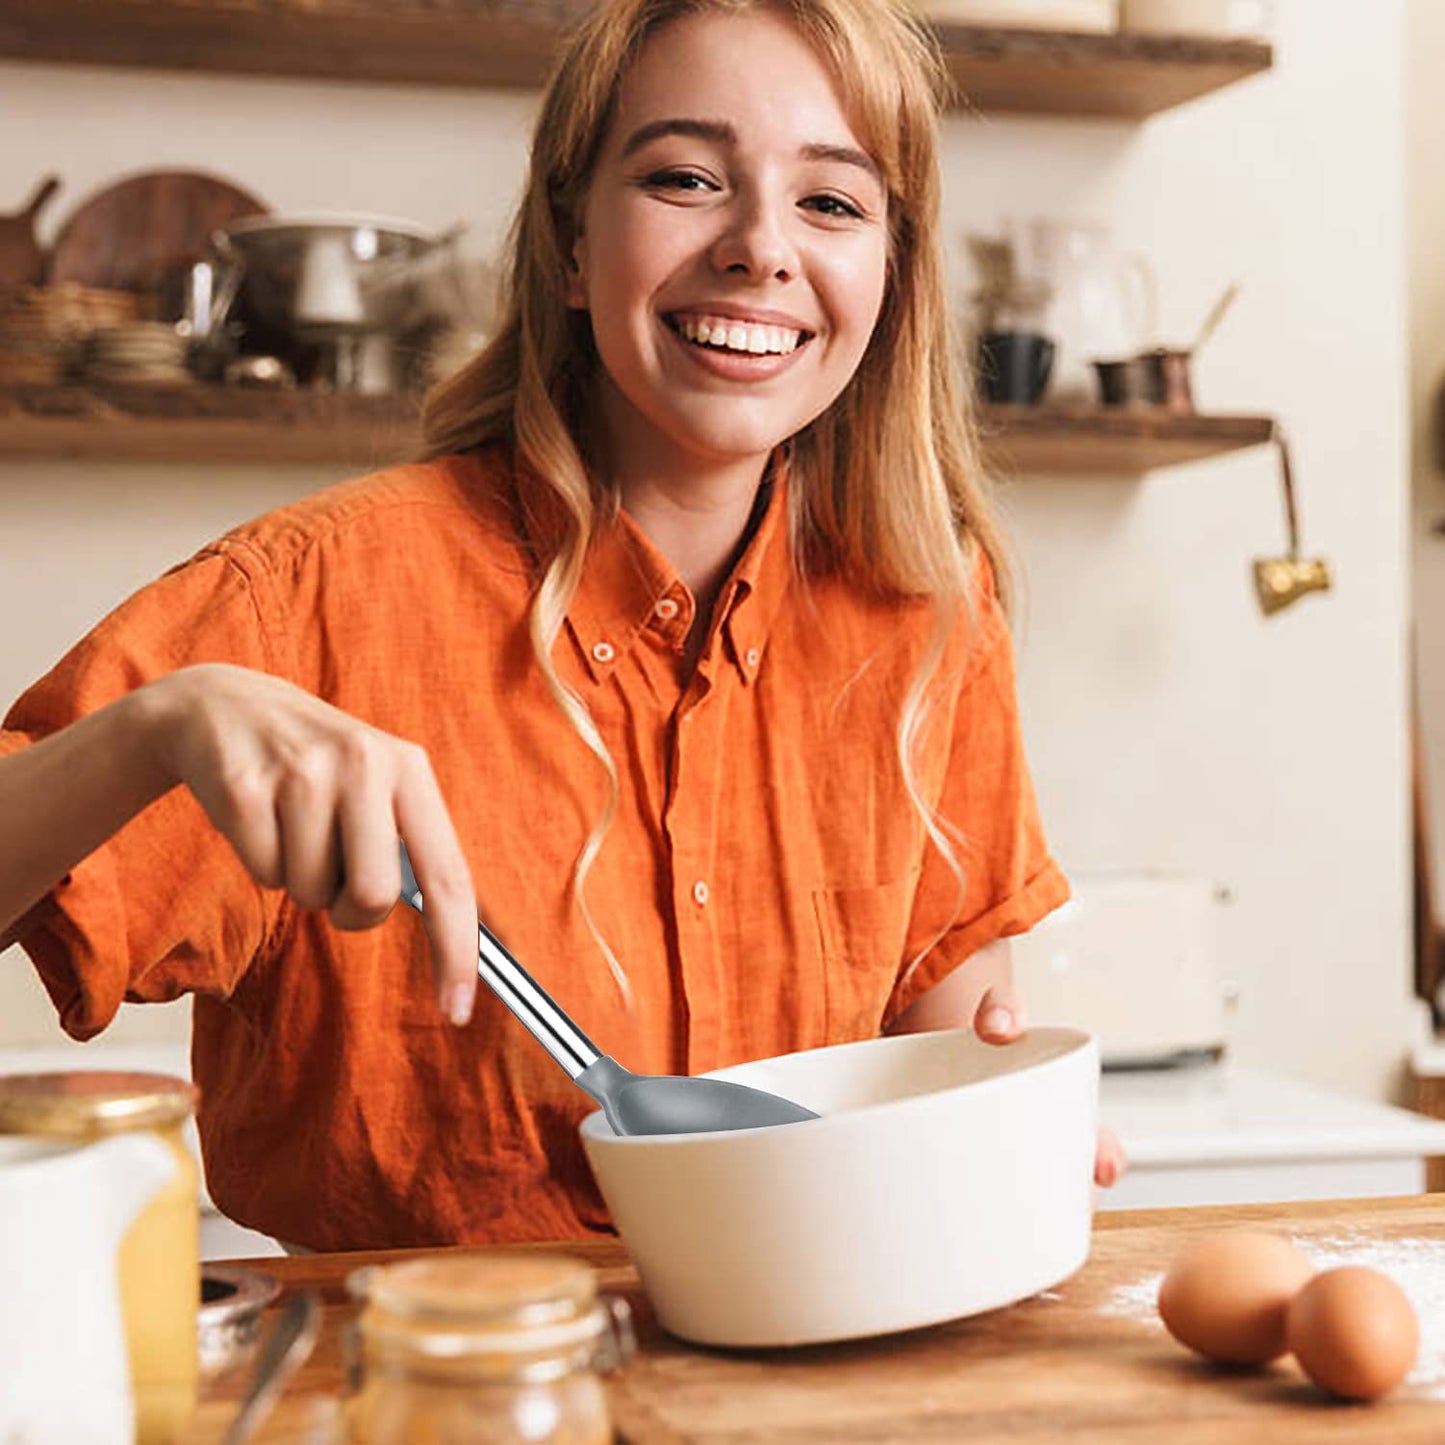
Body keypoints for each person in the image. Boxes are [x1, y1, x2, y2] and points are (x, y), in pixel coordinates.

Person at [0, 0, 1123, 1250]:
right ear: (570, 245)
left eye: (831, 202)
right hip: (418, 1386)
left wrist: (1000, 1128)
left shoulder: (928, 609)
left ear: (889, 273)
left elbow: (948, 1047)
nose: (760, 247)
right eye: (684, 177)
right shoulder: (310, 596)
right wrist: (160, 726)